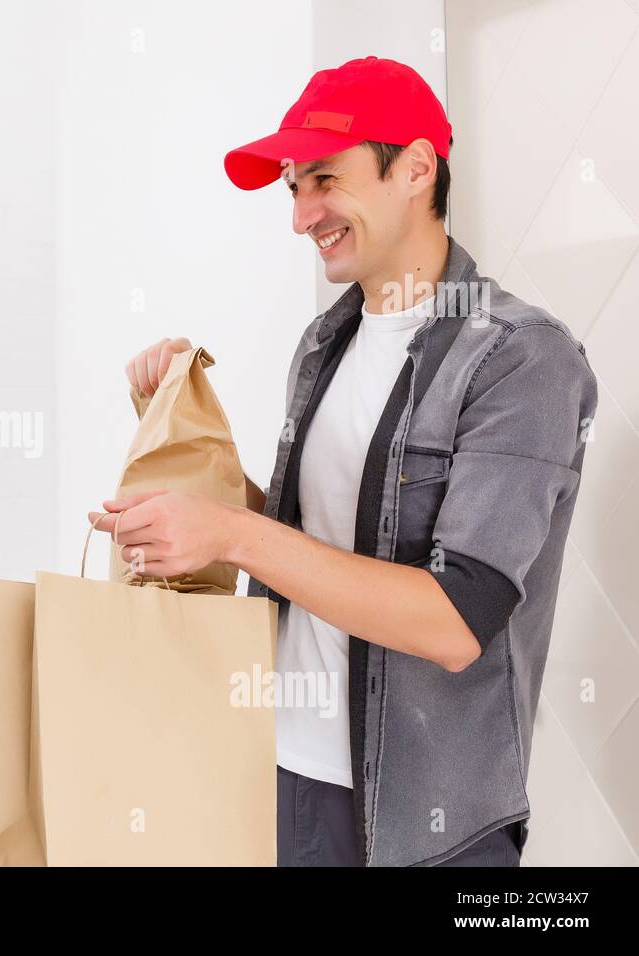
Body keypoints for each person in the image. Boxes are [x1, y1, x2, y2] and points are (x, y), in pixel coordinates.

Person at [94, 57, 598, 867]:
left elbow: (454, 621)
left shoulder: (520, 359)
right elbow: (306, 540)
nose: (301, 215)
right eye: (293, 188)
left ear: (417, 169)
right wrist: (180, 430)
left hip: (432, 829)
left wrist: (228, 534)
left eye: (324, 179)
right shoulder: (327, 342)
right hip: (288, 778)